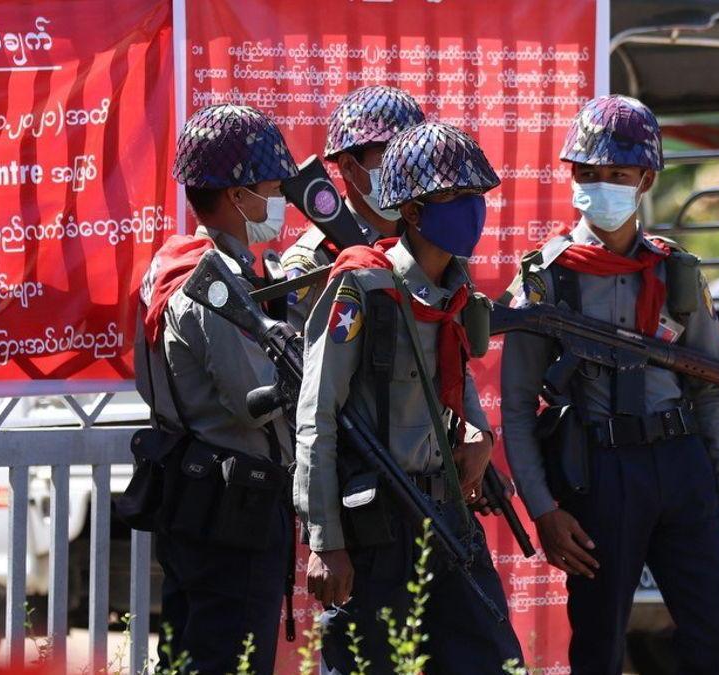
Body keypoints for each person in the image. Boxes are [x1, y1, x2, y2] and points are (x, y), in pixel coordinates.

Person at [500, 94, 719, 674]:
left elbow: (711, 388)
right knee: (600, 646)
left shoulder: (675, 272)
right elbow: (515, 409)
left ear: (646, 178)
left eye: (617, 174)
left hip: (682, 464)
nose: (600, 185)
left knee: (717, 639)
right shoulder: (547, 279)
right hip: (599, 473)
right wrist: (543, 509)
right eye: (587, 174)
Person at [293, 121, 524, 673]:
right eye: (451, 197)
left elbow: (455, 384)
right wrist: (326, 542)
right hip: (378, 529)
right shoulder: (364, 289)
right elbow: (317, 416)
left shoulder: (456, 292)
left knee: (494, 659)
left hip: (445, 513)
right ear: (413, 212)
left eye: (474, 196)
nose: (469, 210)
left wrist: (478, 434)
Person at [132, 104, 298, 673]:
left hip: (192, 492)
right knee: (230, 657)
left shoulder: (169, 266)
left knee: (190, 654)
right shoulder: (213, 285)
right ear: (237, 196)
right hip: (235, 506)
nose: (280, 204)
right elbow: (254, 402)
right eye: (273, 189)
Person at [281, 85, 425, 329]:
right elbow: (287, 359)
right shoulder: (312, 261)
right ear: (348, 166)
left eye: (411, 158)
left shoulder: (423, 242)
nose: (406, 171)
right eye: (391, 158)